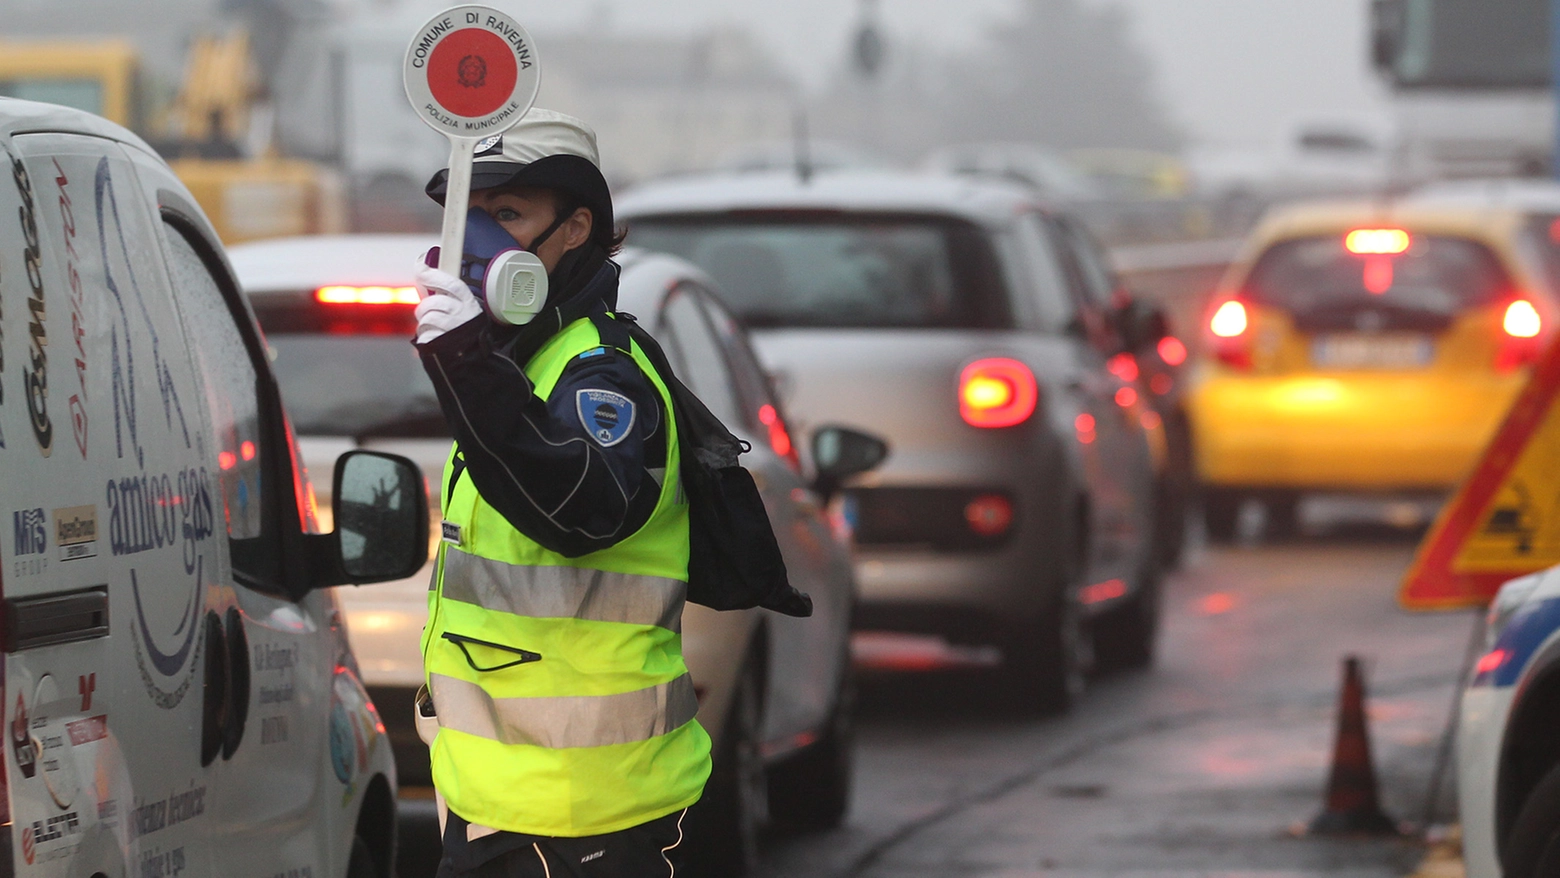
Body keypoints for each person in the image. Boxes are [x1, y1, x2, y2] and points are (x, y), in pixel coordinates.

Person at [411, 109, 711, 878]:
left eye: (507, 214)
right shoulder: (526, 364)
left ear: (575, 229)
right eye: (469, 214)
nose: (481, 238)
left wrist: (469, 366)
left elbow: (575, 512)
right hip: (502, 807)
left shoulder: (600, 373)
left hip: (587, 817)